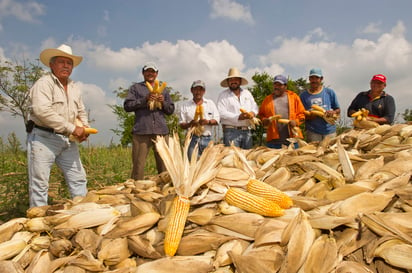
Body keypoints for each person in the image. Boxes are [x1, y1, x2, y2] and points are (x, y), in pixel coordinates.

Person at [27, 44, 89, 207]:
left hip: (67, 140)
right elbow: (42, 111)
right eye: (61, 62)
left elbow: (81, 111)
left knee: (78, 178)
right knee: (39, 183)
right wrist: (73, 128)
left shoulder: (75, 87)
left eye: (69, 63)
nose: (66, 66)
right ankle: (38, 221)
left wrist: (84, 129)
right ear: (51, 65)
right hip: (43, 138)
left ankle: (82, 212)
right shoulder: (44, 83)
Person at [124, 62, 175, 180]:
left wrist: (163, 102)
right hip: (142, 130)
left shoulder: (164, 90)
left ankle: (164, 189)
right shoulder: (136, 88)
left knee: (164, 165)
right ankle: (136, 190)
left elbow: (171, 110)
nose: (150, 73)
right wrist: (144, 99)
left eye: (153, 71)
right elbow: (127, 106)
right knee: (138, 165)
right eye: (147, 71)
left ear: (157, 74)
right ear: (143, 73)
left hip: (161, 131)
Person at [258, 75, 306, 149]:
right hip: (273, 142)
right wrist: (265, 121)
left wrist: (296, 122)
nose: (276, 87)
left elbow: (302, 114)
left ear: (285, 86)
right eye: (275, 84)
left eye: (279, 85)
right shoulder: (267, 100)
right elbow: (261, 115)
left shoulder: (294, 97)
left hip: (292, 141)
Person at [217, 67, 258, 149]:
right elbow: (221, 113)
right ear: (228, 82)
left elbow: (255, 106)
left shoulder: (247, 93)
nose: (233, 81)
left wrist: (252, 113)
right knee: (232, 159)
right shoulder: (223, 95)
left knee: (247, 159)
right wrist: (238, 117)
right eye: (231, 80)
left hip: (247, 131)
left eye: (236, 79)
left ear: (240, 81)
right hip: (231, 132)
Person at [179, 80, 220, 159]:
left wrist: (207, 121)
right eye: (196, 89)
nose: (198, 92)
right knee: (192, 165)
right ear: (191, 90)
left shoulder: (210, 103)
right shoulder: (185, 105)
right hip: (192, 139)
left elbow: (217, 120)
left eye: (200, 89)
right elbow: (181, 124)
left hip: (207, 139)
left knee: (208, 165)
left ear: (204, 91)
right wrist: (190, 124)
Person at [300, 68, 341, 142]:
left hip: (329, 131)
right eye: (312, 78)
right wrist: (309, 117)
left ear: (321, 79)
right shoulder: (303, 96)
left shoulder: (329, 92)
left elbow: (338, 109)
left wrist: (333, 112)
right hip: (313, 132)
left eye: (317, 78)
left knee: (331, 152)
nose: (314, 80)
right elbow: (301, 115)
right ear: (309, 79)